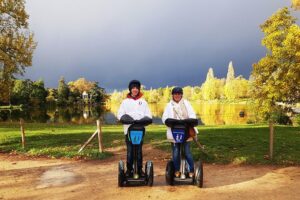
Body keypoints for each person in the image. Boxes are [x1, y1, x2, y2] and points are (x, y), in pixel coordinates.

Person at [117, 80, 152, 177]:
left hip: (140, 130)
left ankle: (140, 170)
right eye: (133, 88)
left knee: (139, 151)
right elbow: (120, 114)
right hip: (129, 130)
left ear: (139, 89)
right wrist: (126, 119)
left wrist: (144, 120)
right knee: (130, 151)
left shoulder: (143, 102)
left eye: (137, 88)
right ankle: (129, 170)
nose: (135, 89)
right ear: (130, 89)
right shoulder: (125, 102)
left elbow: (149, 115)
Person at [162, 87, 198, 178]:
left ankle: (191, 170)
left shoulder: (186, 103)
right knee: (176, 152)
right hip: (174, 132)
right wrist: (168, 121)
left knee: (187, 152)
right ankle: (177, 169)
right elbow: (164, 117)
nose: (177, 95)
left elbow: (192, 114)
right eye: (175, 94)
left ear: (181, 95)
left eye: (179, 94)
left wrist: (190, 120)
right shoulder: (169, 105)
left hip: (186, 131)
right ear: (173, 95)